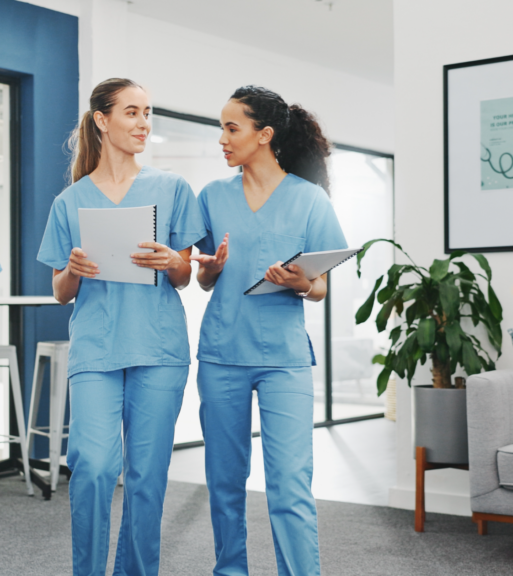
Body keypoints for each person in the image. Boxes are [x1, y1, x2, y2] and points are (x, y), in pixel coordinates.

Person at [37, 78, 206, 576]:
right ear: (102, 120)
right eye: (131, 112)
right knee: (91, 468)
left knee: (147, 477)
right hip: (96, 349)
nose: (143, 123)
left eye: (147, 113)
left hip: (158, 347)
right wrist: (73, 270)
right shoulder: (69, 202)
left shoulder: (172, 188)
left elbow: (184, 277)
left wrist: (172, 258)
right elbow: (60, 291)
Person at [190, 86, 347, 576]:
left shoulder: (309, 200)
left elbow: (319, 288)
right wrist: (211, 268)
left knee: (290, 483)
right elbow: (203, 278)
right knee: (224, 481)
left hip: (284, 360)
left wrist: (302, 281)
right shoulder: (212, 197)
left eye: (231, 128)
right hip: (222, 354)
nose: (222, 138)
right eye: (221, 127)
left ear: (265, 135)